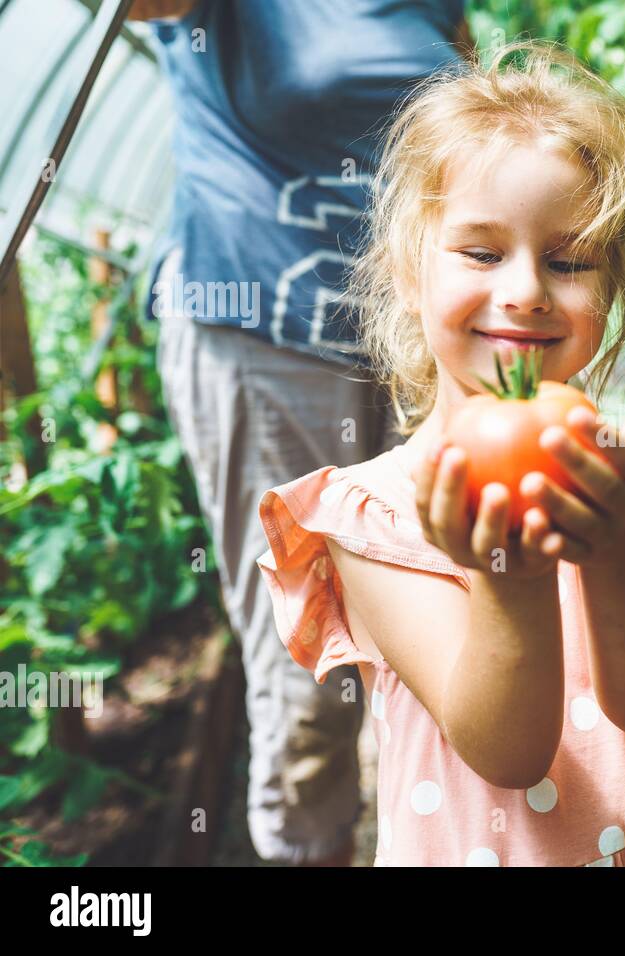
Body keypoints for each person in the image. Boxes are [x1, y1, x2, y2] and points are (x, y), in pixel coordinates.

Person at [255, 40, 625, 865]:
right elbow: (507, 751)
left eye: (568, 259)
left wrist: (623, 543)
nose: (526, 290)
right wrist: (511, 577)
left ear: (608, 288)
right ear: (409, 271)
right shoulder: (376, 520)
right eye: (481, 251)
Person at [131, 0, 470, 865]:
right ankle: (304, 853)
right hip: (257, 332)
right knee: (307, 668)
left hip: (405, 348)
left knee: (445, 636)